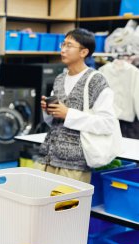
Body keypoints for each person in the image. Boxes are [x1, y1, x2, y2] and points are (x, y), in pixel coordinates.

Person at [35, 28, 116, 183]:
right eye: (63, 44)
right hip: (49, 158)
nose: (63, 50)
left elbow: (107, 124)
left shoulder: (96, 80)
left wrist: (68, 114)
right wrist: (49, 111)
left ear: (84, 52)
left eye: (69, 45)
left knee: (67, 207)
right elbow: (54, 123)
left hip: (75, 164)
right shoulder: (59, 78)